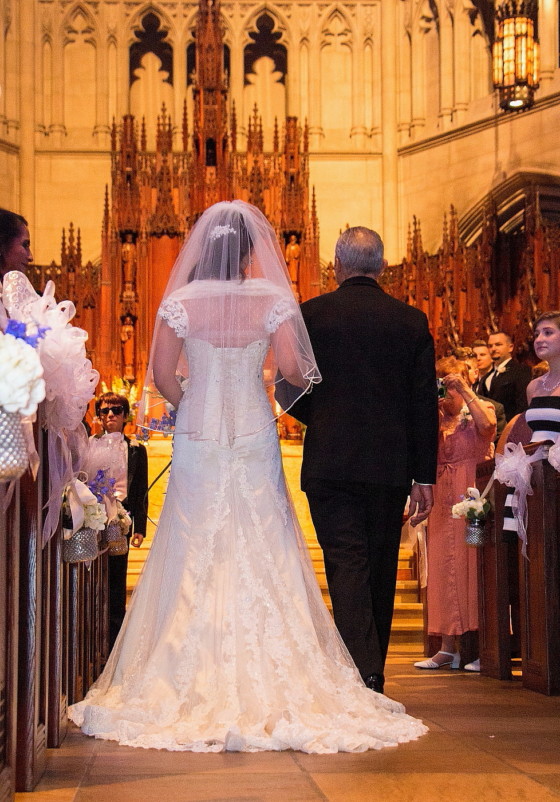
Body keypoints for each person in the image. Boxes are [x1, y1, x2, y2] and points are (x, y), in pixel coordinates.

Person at [68, 201, 428, 753]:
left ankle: (178, 668)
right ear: (251, 253)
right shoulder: (273, 300)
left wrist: (194, 401)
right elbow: (291, 371)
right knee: (266, 540)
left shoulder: (180, 301)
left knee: (189, 543)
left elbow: (163, 374)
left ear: (203, 249)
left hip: (199, 434)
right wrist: (254, 378)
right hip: (255, 431)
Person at [284, 226, 439, 695]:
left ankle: (363, 671)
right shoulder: (410, 321)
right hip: (390, 465)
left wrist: (323, 417)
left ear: (336, 264)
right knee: (379, 563)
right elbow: (422, 405)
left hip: (330, 461)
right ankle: (370, 669)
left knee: (345, 561)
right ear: (383, 266)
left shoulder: (311, 314)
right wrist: (423, 475)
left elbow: (288, 390)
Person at [414, 357, 495, 672]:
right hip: (441, 500)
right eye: (442, 384)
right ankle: (448, 649)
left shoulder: (479, 410)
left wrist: (465, 389)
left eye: (452, 385)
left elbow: (488, 430)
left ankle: (477, 647)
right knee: (442, 569)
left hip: (472, 500)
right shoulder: (433, 416)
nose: (447, 392)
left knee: (472, 567)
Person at [90, 392, 148, 648]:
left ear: (125, 416)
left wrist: (139, 528)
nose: (110, 415)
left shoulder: (137, 450)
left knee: (116, 582)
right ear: (99, 416)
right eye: (105, 411)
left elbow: (141, 491)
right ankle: (91, 637)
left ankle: (114, 644)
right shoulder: (89, 444)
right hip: (92, 520)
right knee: (92, 580)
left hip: (121, 520)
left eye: (115, 410)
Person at [503, 312, 560, 536]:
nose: (539, 339)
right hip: (531, 471)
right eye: (536, 334)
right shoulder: (533, 386)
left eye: (548, 332)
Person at [478, 331, 531, 421]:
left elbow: (523, 404)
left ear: (510, 347)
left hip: (511, 427)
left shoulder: (521, 371)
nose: (493, 349)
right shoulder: (486, 377)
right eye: (490, 346)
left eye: (498, 345)